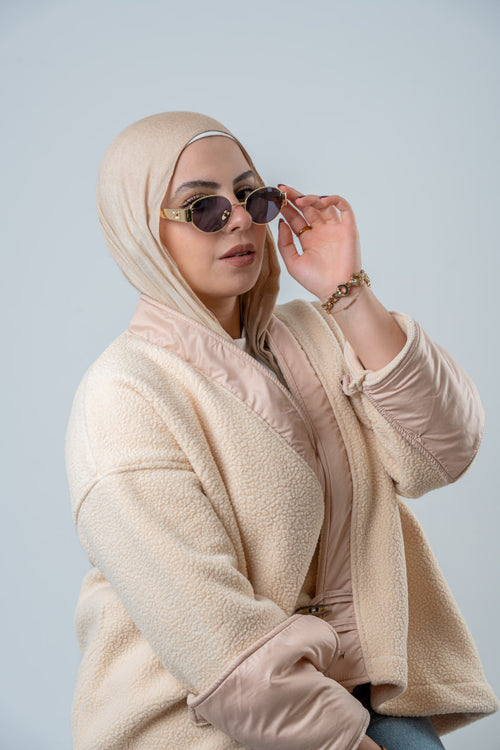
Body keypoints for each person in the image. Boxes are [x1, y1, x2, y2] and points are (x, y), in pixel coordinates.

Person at [65, 111, 498, 750]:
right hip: (205, 724)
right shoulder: (124, 394)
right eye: (203, 207)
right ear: (142, 231)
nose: (239, 218)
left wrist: (348, 293)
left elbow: (443, 451)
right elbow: (213, 635)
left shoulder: (313, 330)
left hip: (360, 689)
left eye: (251, 195)